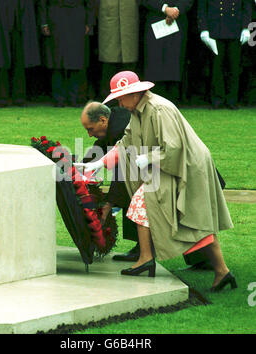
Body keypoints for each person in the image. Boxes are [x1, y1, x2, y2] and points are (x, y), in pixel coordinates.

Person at [75, 71, 237, 292]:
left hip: (186, 167)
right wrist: (99, 163)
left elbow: (174, 148)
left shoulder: (159, 109)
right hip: (171, 166)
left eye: (122, 97)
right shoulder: (137, 111)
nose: (119, 103)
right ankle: (218, 271)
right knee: (189, 220)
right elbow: (126, 143)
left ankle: (148, 259)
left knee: (184, 218)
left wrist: (146, 158)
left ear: (136, 93)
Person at [80, 102, 140, 262]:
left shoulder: (119, 129)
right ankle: (141, 249)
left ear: (102, 120)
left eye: (90, 129)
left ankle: (143, 251)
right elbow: (98, 148)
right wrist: (79, 172)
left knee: (130, 192)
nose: (89, 134)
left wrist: (108, 204)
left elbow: (123, 173)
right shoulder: (112, 121)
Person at [0, 0, 40, 107]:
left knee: (19, 63)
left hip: (20, 24)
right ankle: (2, 99)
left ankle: (19, 98)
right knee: (1, 63)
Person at [38, 0, 95, 107]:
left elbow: (90, 3)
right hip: (55, 17)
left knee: (75, 60)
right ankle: (59, 98)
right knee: (56, 61)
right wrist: (43, 22)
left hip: (78, 19)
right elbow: (42, 3)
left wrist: (89, 22)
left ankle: (73, 98)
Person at [198, 0, 252, 109]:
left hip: (235, 29)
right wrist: (204, 29)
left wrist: (246, 27)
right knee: (216, 68)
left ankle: (232, 100)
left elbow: (246, 7)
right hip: (215, 30)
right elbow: (202, 8)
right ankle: (217, 99)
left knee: (234, 68)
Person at [141, 0, 194, 104]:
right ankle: (154, 100)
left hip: (178, 21)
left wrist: (175, 10)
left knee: (175, 61)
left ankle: (175, 100)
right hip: (155, 20)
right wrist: (165, 9)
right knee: (155, 61)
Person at [98, 0, 140, 99]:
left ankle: (130, 97)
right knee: (109, 63)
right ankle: (108, 98)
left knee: (129, 63)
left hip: (129, 22)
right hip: (109, 23)